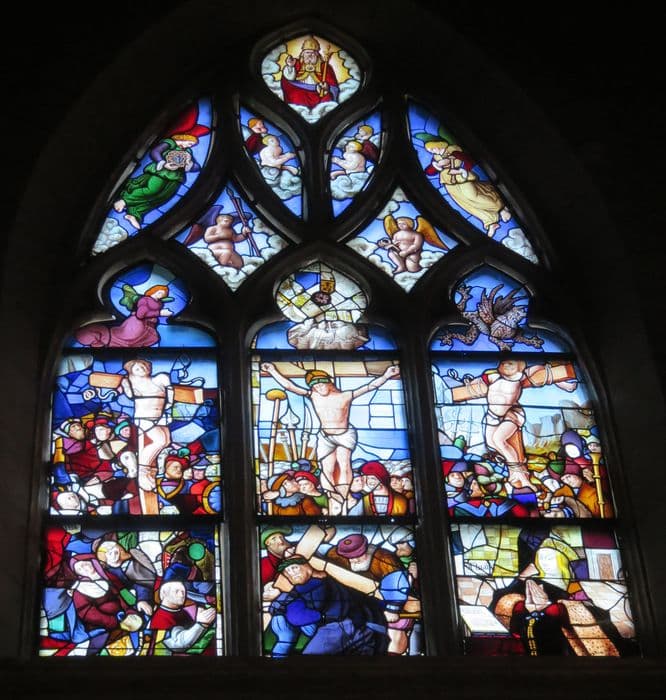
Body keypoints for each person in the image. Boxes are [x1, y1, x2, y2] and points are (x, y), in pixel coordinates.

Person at [260, 363, 400, 514]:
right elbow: (289, 386)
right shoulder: (313, 396)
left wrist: (387, 375)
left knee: (344, 463)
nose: (319, 388)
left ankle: (344, 497)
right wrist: (272, 371)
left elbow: (369, 387)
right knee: (327, 468)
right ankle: (333, 497)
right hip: (325, 436)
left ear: (329, 383)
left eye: (321, 384)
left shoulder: (345, 396)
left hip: (344, 434)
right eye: (316, 386)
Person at [451, 359, 578, 493]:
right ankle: (513, 468)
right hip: (492, 416)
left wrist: (563, 384)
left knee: (499, 440)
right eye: (504, 364)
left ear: (519, 366)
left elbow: (545, 373)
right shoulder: (493, 377)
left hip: (512, 415)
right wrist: (466, 385)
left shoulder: (522, 377)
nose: (507, 366)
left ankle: (521, 475)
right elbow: (476, 384)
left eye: (511, 364)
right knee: (491, 443)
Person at [268, 556, 387, 656]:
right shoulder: (330, 581)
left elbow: (297, 617)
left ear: (307, 566)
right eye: (287, 572)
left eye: (294, 568)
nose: (292, 573)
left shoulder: (310, 587)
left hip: (339, 628)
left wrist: (280, 600)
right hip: (363, 629)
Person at [326, 534, 412, 654]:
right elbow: (323, 552)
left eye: (358, 556)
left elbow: (397, 584)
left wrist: (392, 609)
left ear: (366, 549)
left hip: (385, 605)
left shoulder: (384, 559)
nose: (355, 560)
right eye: (351, 558)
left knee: (391, 633)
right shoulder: (339, 555)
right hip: (355, 606)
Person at [424, 140, 511, 237]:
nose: (432, 151)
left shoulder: (453, 149)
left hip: (462, 177)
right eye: (430, 150)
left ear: (438, 144)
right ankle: (490, 222)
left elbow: (466, 159)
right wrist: (437, 165)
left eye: (432, 148)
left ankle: (501, 208)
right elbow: (429, 172)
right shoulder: (436, 157)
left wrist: (450, 158)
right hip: (448, 182)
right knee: (466, 204)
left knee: (473, 196)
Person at [75, 285, 173, 348]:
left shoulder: (157, 302)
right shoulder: (145, 300)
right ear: (153, 291)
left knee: (137, 341)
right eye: (159, 292)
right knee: (128, 339)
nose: (161, 295)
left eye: (163, 294)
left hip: (146, 325)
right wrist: (159, 313)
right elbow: (140, 315)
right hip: (137, 324)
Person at [147, 580, 216, 655]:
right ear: (164, 593)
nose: (182, 595)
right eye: (177, 591)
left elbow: (191, 632)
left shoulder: (181, 612)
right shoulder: (160, 617)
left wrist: (201, 621)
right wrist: (201, 624)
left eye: (183, 591)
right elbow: (179, 644)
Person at [280, 36, 339, 108]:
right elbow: (288, 80)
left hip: (318, 93)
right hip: (299, 92)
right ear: (303, 54)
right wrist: (290, 66)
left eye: (313, 53)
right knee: (296, 94)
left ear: (317, 54)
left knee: (327, 97)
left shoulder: (325, 66)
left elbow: (333, 86)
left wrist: (327, 87)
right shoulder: (296, 63)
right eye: (307, 52)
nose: (310, 55)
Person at [380, 214, 448, 274]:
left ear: (409, 224)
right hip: (399, 252)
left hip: (413, 253)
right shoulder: (396, 234)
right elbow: (393, 242)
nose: (400, 225)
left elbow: (416, 246)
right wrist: (388, 244)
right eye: (399, 224)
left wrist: (406, 252)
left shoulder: (417, 235)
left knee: (412, 269)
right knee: (391, 253)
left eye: (403, 224)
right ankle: (401, 266)